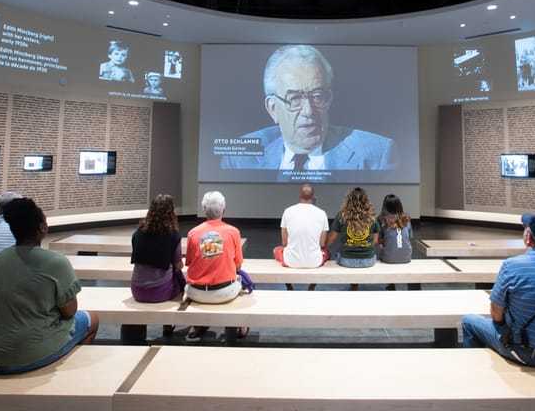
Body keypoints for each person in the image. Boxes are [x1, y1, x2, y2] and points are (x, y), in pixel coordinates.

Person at [220, 44, 399, 171]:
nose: (308, 111)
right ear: (273, 108)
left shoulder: (378, 154)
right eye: (294, 98)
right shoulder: (238, 158)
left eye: (317, 96)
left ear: (329, 99)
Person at [0, 197, 99, 374]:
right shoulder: (56, 262)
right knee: (91, 319)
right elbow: (69, 311)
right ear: (42, 228)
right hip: (28, 354)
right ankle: (70, 373)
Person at [461, 213, 535, 367]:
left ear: (528, 238)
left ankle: (474, 375)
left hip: (527, 353)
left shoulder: (511, 266)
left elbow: (496, 315)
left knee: (469, 322)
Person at [184, 191, 247, 339]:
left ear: (204, 210)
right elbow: (238, 266)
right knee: (242, 282)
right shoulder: (233, 232)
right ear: (224, 210)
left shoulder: (193, 233)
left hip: (196, 292)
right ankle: (241, 325)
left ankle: (196, 325)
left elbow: (189, 263)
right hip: (224, 292)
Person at [130, 193, 185, 335]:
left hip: (137, 289)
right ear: (171, 212)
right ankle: (168, 323)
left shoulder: (137, 233)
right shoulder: (173, 236)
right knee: (180, 279)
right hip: (160, 292)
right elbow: (178, 265)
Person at [274, 183, 330, 270]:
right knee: (326, 252)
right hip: (314, 262)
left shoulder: (288, 211)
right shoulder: (322, 213)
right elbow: (322, 244)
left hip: (291, 261)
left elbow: (284, 243)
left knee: (277, 250)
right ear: (313, 196)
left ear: (299, 195)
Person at [326, 187, 380, 268]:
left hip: (346, 260)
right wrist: (363, 246)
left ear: (348, 200)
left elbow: (332, 238)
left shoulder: (341, 215)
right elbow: (375, 240)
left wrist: (322, 246)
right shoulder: (371, 216)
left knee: (336, 254)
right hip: (368, 261)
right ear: (366, 200)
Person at [378, 193, 412, 264]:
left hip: (388, 259)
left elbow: (380, 242)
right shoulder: (406, 219)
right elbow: (409, 237)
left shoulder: (381, 220)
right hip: (406, 258)